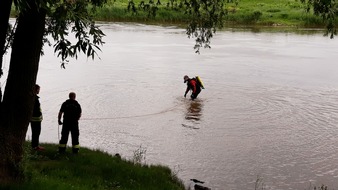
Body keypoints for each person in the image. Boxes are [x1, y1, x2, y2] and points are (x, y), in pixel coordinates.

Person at [30, 84, 45, 151]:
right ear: (36, 90)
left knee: (35, 133)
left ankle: (35, 145)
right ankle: (35, 147)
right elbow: (36, 109)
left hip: (34, 119)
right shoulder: (35, 99)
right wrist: (39, 114)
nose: (39, 90)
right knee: (36, 133)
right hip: (36, 119)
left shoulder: (33, 97)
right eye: (38, 89)